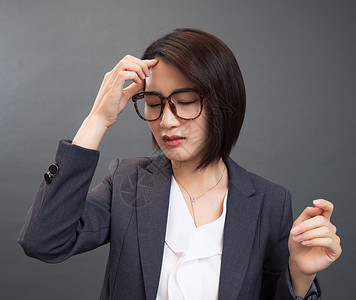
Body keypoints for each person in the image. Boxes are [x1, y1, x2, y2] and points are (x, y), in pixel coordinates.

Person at [19, 28, 341, 300]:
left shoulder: (270, 202)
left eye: (185, 103)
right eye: (154, 104)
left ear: (223, 104)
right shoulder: (127, 182)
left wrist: (299, 274)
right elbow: (43, 241)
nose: (167, 121)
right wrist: (97, 120)